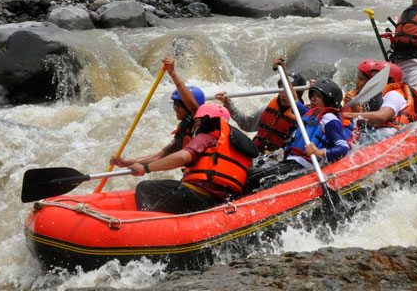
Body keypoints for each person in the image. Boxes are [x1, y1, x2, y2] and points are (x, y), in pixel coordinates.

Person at [112, 103, 258, 213]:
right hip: (221, 200)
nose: (196, 125)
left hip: (195, 195)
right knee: (146, 187)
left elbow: (182, 157)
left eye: (198, 122)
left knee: (145, 188)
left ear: (207, 121)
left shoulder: (206, 138)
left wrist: (145, 169)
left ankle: (145, 224)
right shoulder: (238, 144)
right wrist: (127, 163)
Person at [246, 73, 352, 191]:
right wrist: (283, 70)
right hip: (292, 161)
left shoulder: (330, 119)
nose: (312, 99)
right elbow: (294, 99)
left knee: (254, 179)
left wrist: (319, 152)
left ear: (328, 101)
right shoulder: (309, 113)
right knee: (251, 172)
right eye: (312, 95)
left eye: (318, 96)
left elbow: (343, 147)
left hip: (305, 166)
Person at [215, 71, 307, 155]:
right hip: (256, 152)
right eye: (281, 88)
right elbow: (246, 124)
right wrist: (228, 104)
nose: (283, 94)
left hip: (276, 160)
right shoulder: (269, 108)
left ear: (297, 94)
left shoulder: (302, 117)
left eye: (287, 90)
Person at [343, 61, 417, 142]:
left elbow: (382, 117)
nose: (373, 82)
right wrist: (353, 107)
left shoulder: (394, 95)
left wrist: (347, 115)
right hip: (381, 133)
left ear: (391, 81)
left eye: (377, 78)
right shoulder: (379, 97)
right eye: (372, 78)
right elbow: (363, 126)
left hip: (390, 134)